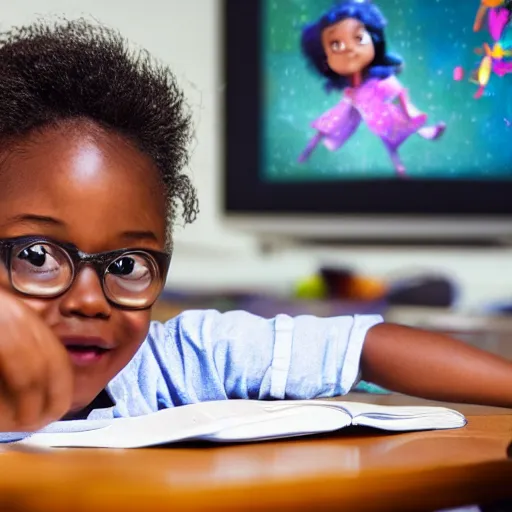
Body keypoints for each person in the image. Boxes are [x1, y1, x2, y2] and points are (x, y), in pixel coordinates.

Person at [0, 18, 511, 443]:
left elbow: (363, 346)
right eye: (39, 256)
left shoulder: (175, 361)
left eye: (129, 265)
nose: (91, 301)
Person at [297, 1, 446, 176]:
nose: (350, 50)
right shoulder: (351, 88)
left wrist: (411, 113)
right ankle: (402, 160)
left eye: (358, 38)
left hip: (381, 112)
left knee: (397, 128)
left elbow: (398, 93)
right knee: (333, 125)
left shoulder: (378, 78)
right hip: (365, 110)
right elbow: (340, 115)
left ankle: (423, 135)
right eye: (336, 45)